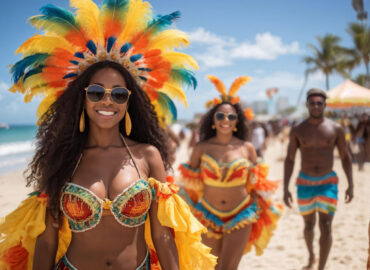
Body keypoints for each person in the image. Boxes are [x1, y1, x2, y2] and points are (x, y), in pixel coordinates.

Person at [0, 1, 216, 269]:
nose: (107, 101)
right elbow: (47, 240)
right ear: (82, 99)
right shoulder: (62, 159)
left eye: (118, 94)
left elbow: (162, 233)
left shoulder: (148, 156)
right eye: (95, 92)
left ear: (128, 103)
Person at [178, 75, 282, 270]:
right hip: (207, 214)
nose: (226, 120)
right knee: (212, 266)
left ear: (237, 122)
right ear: (213, 120)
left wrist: (266, 203)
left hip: (241, 213)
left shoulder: (247, 147)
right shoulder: (201, 148)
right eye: (220, 116)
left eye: (231, 116)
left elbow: (257, 182)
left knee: (228, 267)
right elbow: (190, 184)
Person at [283, 88, 354, 270]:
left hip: (327, 183)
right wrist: (285, 188)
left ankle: (321, 267)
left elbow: (345, 157)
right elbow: (290, 159)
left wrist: (350, 185)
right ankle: (311, 255)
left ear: (325, 105)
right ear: (307, 105)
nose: (316, 106)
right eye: (312, 103)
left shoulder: (336, 129)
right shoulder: (298, 130)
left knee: (326, 225)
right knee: (308, 226)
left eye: (319, 103)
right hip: (304, 183)